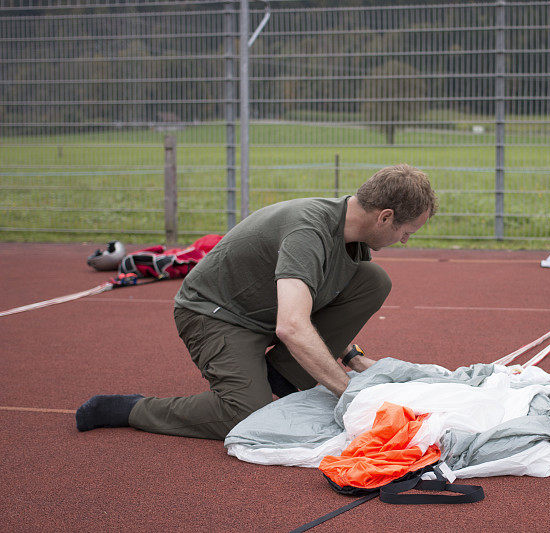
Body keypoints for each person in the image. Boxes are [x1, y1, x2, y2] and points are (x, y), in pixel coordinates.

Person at [76, 164, 438, 440]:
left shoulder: (354, 241)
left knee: (373, 281)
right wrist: (350, 393)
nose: (405, 240)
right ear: (385, 217)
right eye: (407, 232)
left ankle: (275, 381)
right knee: (245, 414)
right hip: (216, 315)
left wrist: (352, 357)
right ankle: (130, 409)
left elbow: (322, 301)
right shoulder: (308, 230)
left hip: (266, 312)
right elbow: (293, 325)